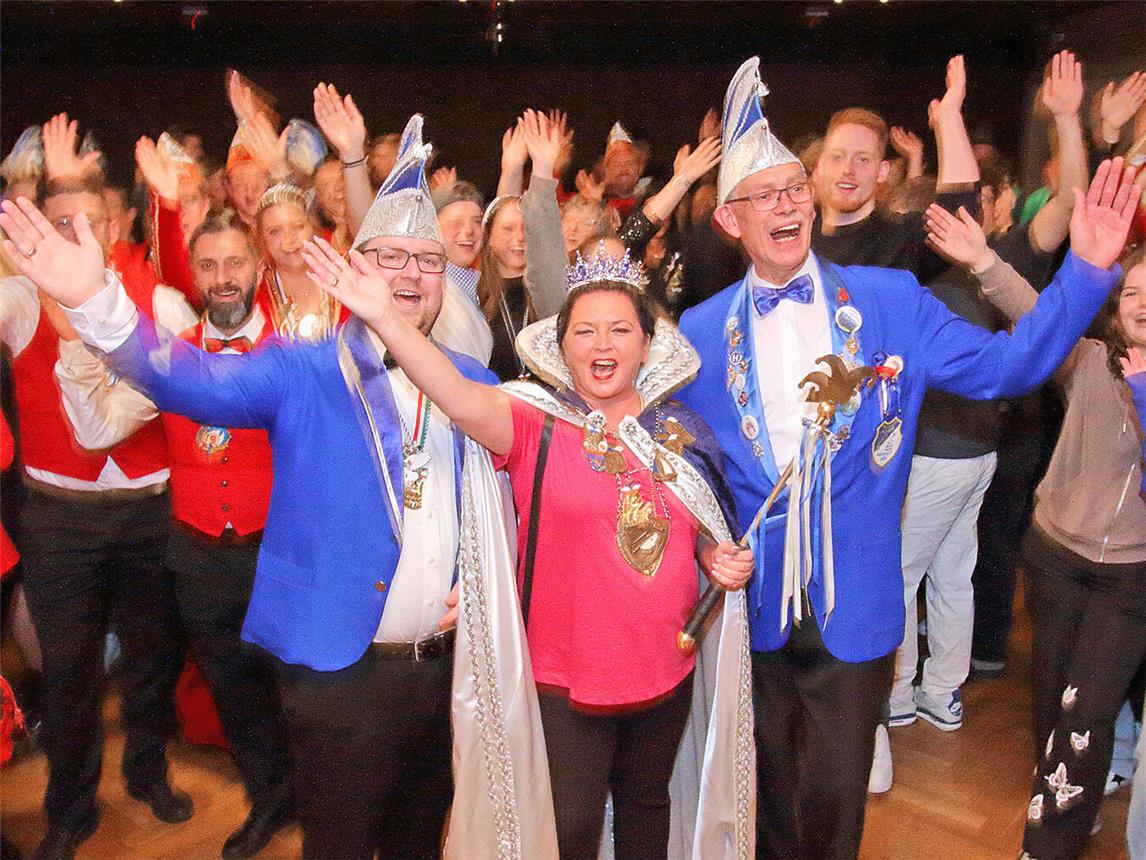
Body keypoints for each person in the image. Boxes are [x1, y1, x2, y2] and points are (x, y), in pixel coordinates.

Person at [0, 114, 496, 860]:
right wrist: (96, 303)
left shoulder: (475, 387)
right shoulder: (302, 369)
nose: (407, 274)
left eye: (426, 260)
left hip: (445, 672)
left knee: (420, 842)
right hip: (338, 672)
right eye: (386, 254)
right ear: (353, 268)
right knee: (338, 843)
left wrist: (482, 581)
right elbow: (183, 375)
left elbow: (511, 507)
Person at [675, 57, 1135, 858]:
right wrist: (704, 549)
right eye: (764, 197)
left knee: (837, 793)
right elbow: (689, 473)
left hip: (857, 605)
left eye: (794, 189)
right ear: (730, 221)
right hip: (755, 613)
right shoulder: (699, 338)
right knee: (771, 792)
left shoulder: (886, 302)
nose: (786, 206)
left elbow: (1009, 368)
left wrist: (1091, 271)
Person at [308, 231, 756, 859]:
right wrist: (385, 314)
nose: (603, 344)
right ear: (563, 347)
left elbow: (704, 534)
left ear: (647, 345)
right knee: (568, 828)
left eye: (621, 330)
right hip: (562, 676)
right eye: (586, 331)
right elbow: (454, 392)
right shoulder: (531, 421)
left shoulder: (683, 432)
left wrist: (718, 560)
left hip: (666, 664)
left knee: (646, 806)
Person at [53, 214, 294, 860]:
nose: (222, 279)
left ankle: (318, 804)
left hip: (281, 558)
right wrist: (79, 347)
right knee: (235, 695)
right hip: (199, 563)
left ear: (257, 268)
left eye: (234, 264)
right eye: (208, 266)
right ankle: (269, 798)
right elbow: (98, 431)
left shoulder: (294, 350)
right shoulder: (169, 357)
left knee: (299, 694)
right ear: (195, 274)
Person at [924, 188, 1144, 860]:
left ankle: (1048, 842)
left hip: (1131, 578)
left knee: (1087, 709)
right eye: (1132, 290)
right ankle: (1072, 805)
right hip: (1055, 556)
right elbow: (1031, 309)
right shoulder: (1090, 361)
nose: (1141, 302)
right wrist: (985, 257)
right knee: (1052, 702)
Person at [0, 172, 195, 860]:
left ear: (113, 228)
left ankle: (148, 774)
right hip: (60, 520)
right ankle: (71, 808)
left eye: (89, 219)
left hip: (149, 514)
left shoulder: (162, 303)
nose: (74, 233)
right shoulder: (21, 302)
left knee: (151, 660)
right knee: (69, 670)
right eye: (58, 223)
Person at [478, 110, 567, 380]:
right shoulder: (474, 290)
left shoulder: (546, 288)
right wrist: (512, 168)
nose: (519, 239)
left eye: (526, 231)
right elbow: (503, 210)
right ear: (488, 238)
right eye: (507, 230)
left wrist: (542, 169)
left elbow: (544, 246)